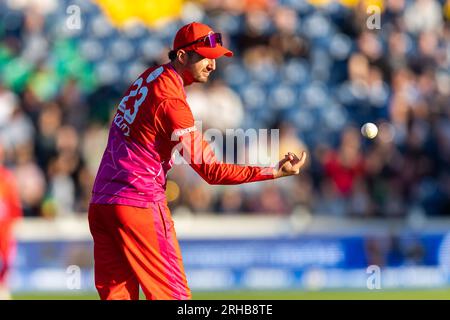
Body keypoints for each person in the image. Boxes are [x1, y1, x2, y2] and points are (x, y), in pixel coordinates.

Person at [88, 21, 307, 300]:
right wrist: (273, 171)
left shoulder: (148, 76)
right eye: (205, 57)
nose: (213, 65)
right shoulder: (173, 103)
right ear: (182, 56)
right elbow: (211, 171)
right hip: (139, 205)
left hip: (103, 203)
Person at [0, 142, 22, 300]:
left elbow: (14, 208)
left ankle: (3, 289)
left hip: (4, 230)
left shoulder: (7, 177)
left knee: (6, 261)